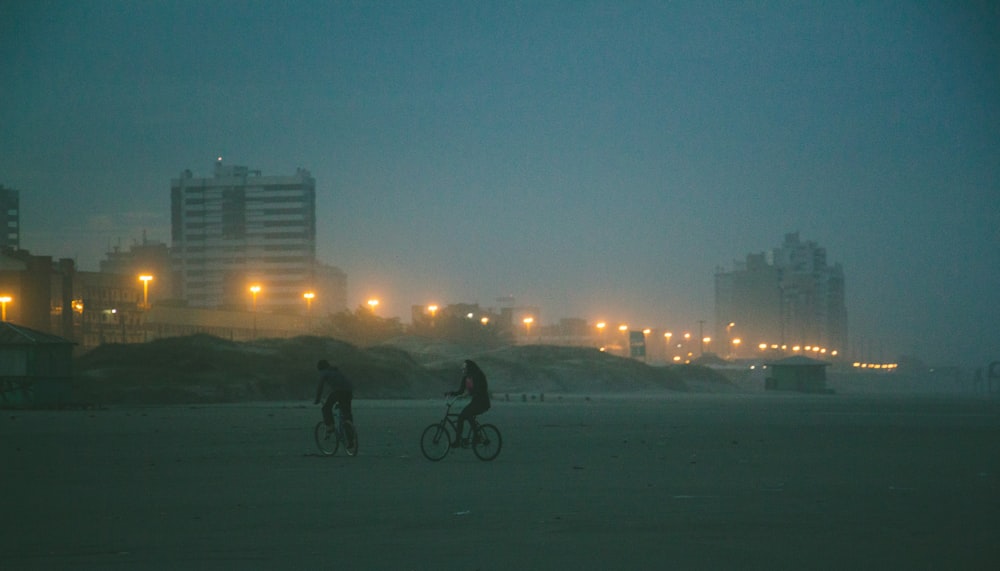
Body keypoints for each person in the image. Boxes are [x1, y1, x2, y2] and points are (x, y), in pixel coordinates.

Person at [448, 359, 491, 446]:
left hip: (482, 402)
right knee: (464, 416)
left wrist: (470, 393)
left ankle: (461, 440)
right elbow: (460, 391)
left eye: (465, 367)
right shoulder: (466, 378)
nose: (463, 370)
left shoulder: (478, 375)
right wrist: (451, 393)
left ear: (470, 367)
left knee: (464, 416)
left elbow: (482, 389)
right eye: (463, 368)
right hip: (475, 402)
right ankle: (473, 436)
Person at [314, 359, 354, 435]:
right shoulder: (336, 371)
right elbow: (343, 382)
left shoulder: (324, 372)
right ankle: (351, 438)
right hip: (348, 392)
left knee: (326, 408)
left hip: (338, 392)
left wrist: (317, 399)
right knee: (347, 414)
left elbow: (320, 387)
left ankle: (330, 426)